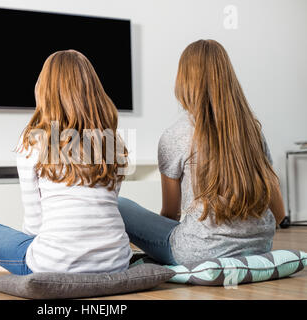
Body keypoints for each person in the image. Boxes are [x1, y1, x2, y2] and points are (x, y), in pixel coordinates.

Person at [119, 39, 286, 265]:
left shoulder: (175, 135)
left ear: (184, 81)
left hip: (198, 253)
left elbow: (171, 214)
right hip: (260, 246)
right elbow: (279, 213)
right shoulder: (252, 131)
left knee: (120, 205)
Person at [0, 49, 132, 277]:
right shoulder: (112, 141)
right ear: (94, 90)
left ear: (44, 90)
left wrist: (32, 248)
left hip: (54, 265)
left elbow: (34, 226)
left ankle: (12, 269)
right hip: (116, 262)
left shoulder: (33, 140)